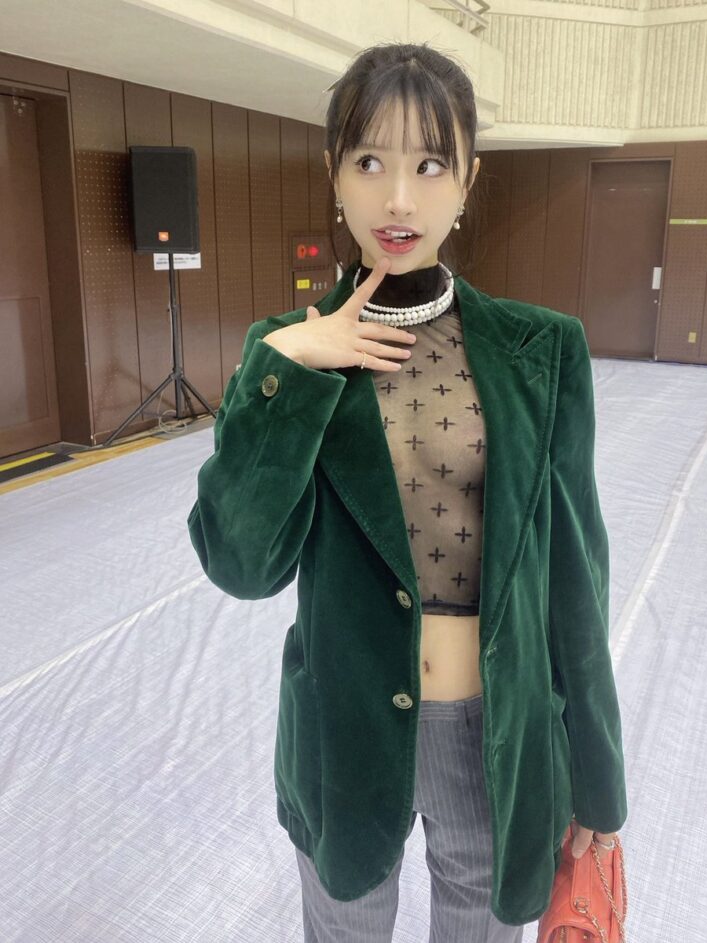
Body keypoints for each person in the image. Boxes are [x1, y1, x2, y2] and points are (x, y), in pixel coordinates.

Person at [188, 41, 627, 943]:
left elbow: (577, 578)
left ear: (468, 179)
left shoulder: (541, 350)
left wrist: (598, 777)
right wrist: (288, 370)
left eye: (429, 165)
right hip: (344, 733)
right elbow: (242, 565)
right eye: (369, 162)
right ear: (334, 174)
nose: (398, 199)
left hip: (496, 736)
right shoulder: (286, 349)